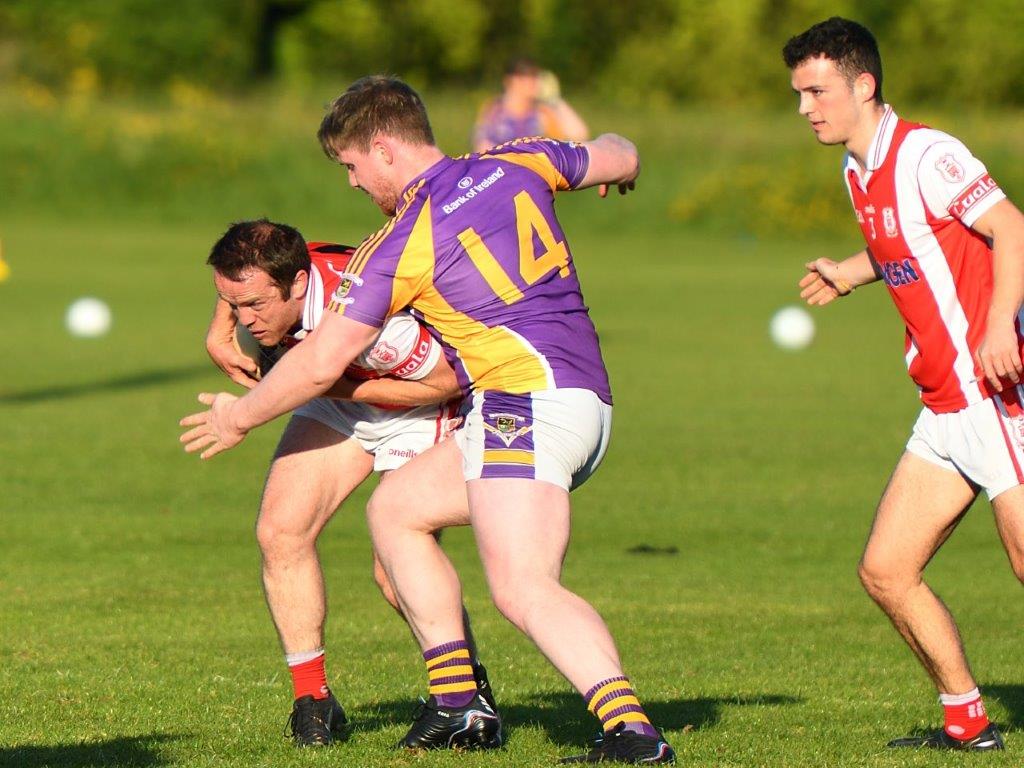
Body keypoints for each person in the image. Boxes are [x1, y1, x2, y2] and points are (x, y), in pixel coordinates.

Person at [180, 76, 675, 763]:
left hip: (524, 403)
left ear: (383, 149)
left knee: (522, 585)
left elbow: (322, 361)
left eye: (352, 166)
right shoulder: (515, 160)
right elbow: (616, 151)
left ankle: (633, 733)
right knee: (397, 510)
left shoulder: (404, 239)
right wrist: (625, 169)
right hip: (573, 395)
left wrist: (241, 418)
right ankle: (460, 706)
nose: (353, 184)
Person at [784, 17, 1024, 751]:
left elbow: (1011, 228)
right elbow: (904, 241)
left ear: (864, 84)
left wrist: (996, 327)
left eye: (817, 91)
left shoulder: (926, 153)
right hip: (943, 409)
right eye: (798, 94)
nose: (805, 108)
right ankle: (966, 721)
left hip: (993, 396)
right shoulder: (858, 168)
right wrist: (849, 273)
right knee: (887, 570)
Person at [201, 219, 499, 748]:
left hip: (418, 399)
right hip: (338, 382)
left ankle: (468, 700)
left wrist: (335, 384)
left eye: (254, 308)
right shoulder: (276, 269)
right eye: (235, 304)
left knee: (392, 573)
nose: (247, 320)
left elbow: (447, 379)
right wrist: (220, 325)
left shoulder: (385, 332)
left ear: (296, 285)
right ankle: (314, 702)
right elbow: (252, 273)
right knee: (281, 531)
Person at [472, 57, 588, 153]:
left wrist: (555, 99)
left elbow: (580, 135)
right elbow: (481, 146)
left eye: (535, 77)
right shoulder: (494, 109)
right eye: (526, 77)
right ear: (510, 80)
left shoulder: (542, 113)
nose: (533, 82)